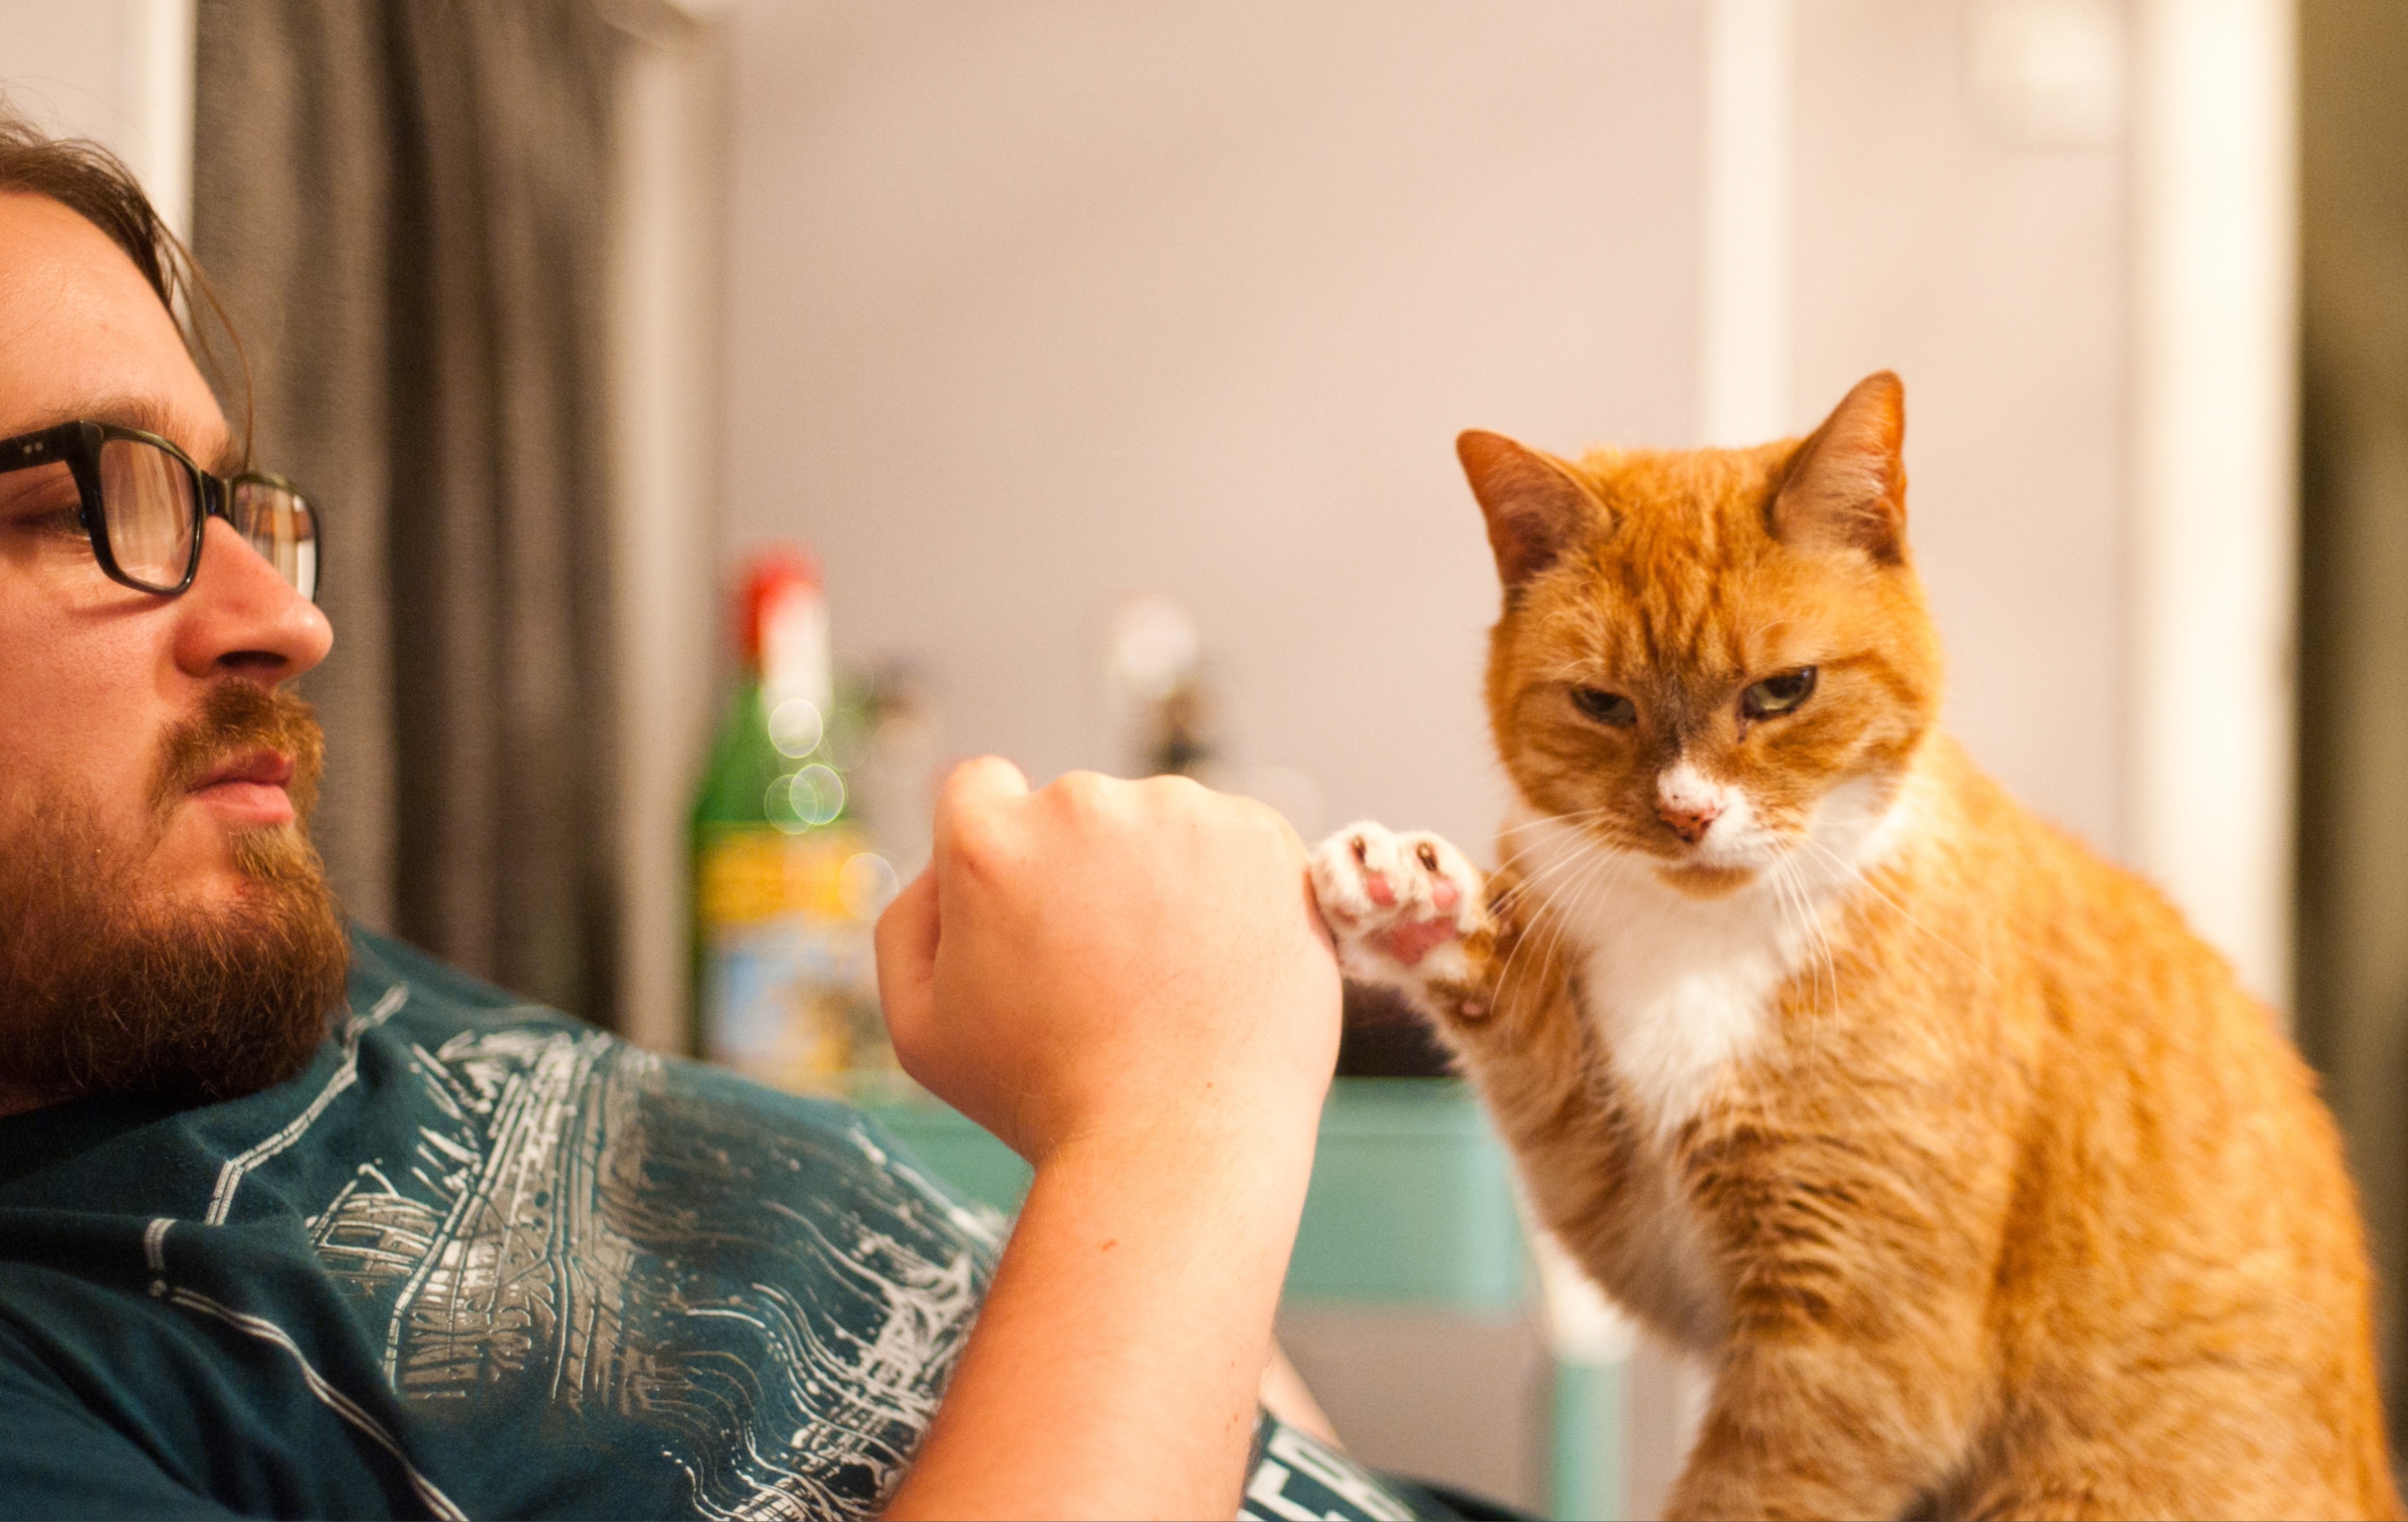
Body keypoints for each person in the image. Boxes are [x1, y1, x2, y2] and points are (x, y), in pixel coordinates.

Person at [0, 121, 1458, 1521]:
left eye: (227, 501)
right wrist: (1182, 1112)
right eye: (90, 506)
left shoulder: (246, 962)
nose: (290, 616)